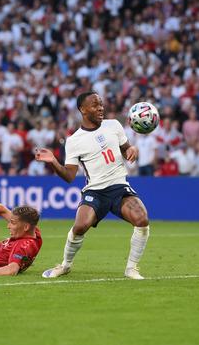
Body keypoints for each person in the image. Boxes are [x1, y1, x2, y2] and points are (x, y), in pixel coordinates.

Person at [34, 91, 150, 280]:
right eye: (95, 105)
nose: (101, 108)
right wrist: (53, 161)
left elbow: (126, 148)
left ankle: (131, 268)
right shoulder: (74, 141)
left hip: (119, 186)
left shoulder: (113, 125)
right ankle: (65, 265)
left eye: (101, 104)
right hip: (95, 191)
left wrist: (132, 149)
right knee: (80, 226)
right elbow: (69, 176)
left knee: (142, 219)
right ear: (83, 109)